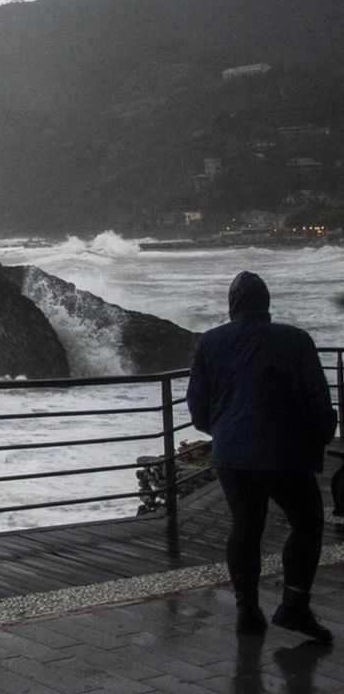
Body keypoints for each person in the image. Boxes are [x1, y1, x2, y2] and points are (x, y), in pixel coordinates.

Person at [186, 270, 336, 641]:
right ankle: (294, 607)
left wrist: (221, 432)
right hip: (285, 452)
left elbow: (197, 405)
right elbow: (318, 400)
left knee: (246, 527)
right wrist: (320, 439)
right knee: (307, 524)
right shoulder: (295, 340)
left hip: (231, 453)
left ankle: (247, 612)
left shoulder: (210, 342)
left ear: (232, 305)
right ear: (266, 303)